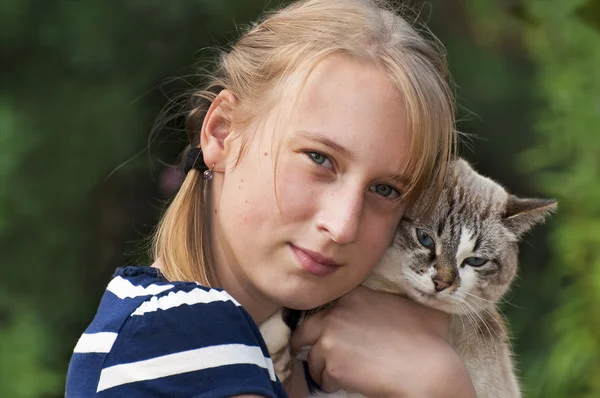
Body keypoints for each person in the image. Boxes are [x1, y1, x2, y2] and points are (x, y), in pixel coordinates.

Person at [66, 0, 477, 397]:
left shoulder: (290, 360)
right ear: (222, 131)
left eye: (385, 189)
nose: (343, 225)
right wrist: (443, 384)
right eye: (320, 159)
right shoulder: (183, 338)